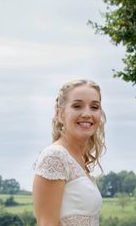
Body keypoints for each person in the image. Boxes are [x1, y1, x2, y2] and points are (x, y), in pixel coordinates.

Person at [33, 79, 106, 226]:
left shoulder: (78, 159)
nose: (87, 113)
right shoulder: (55, 157)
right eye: (77, 106)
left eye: (94, 107)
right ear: (60, 114)